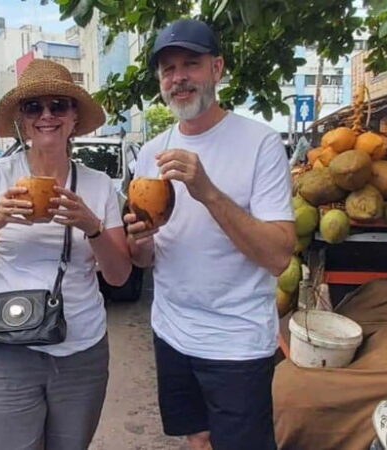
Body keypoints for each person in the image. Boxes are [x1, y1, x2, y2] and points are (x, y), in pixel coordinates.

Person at [124, 19, 296, 450]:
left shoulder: (260, 143)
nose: (178, 77)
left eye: (191, 64)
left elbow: (278, 256)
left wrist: (207, 192)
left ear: (216, 69)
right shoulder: (151, 152)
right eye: (168, 68)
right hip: (171, 331)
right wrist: (139, 242)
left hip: (237, 342)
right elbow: (145, 259)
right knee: (197, 439)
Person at [0, 59, 132, 450]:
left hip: (80, 352)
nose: (46, 115)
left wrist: (91, 225)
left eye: (58, 105)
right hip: (1, 351)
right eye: (34, 107)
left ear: (74, 116)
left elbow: (118, 276)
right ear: (21, 119)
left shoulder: (97, 186)